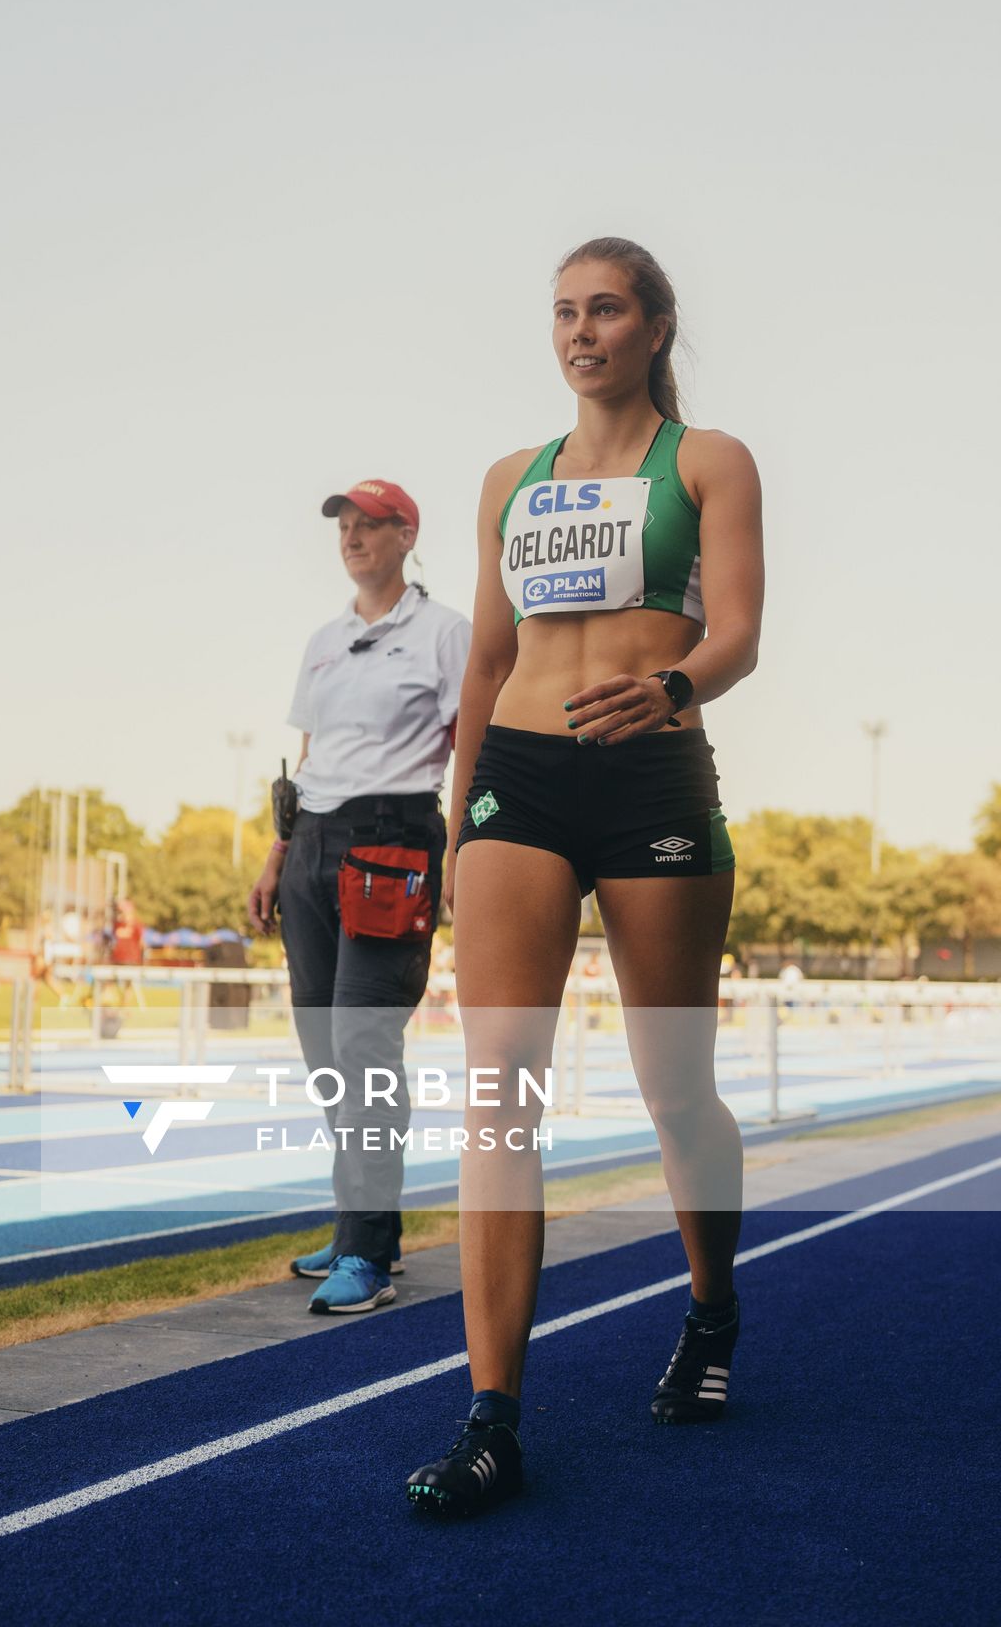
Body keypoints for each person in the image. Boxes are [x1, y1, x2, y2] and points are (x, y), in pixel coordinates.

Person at [406, 237, 763, 1516]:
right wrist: (460, 829)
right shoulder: (512, 477)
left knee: (676, 1095)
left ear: (655, 327)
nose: (579, 331)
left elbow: (734, 636)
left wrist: (671, 685)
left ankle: (710, 1311)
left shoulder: (707, 462)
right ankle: (491, 1416)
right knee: (497, 1094)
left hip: (653, 777)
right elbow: (485, 666)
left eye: (604, 309)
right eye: (562, 311)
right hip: (521, 781)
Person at [248, 479, 470, 1313]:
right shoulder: (324, 638)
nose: (352, 535)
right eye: (344, 524)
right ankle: (357, 1229)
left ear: (407, 534)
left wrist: (460, 853)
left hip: (393, 841)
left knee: (364, 1047)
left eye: (370, 523)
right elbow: (309, 751)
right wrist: (277, 853)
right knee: (324, 1054)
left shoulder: (446, 633)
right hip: (311, 842)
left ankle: (369, 1256)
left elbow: (468, 742)